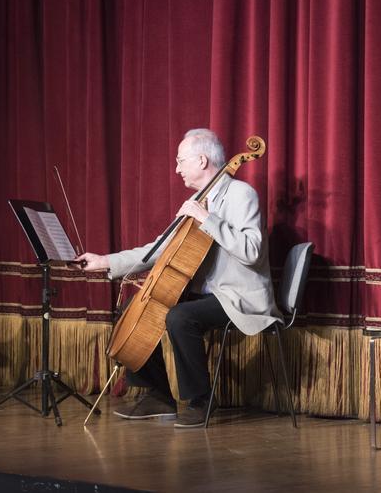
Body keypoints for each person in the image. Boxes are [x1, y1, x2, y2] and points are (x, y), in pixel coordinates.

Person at [75, 128, 280, 428]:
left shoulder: (241, 194)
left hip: (239, 296)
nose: (176, 168)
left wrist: (208, 219)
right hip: (208, 293)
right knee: (139, 308)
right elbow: (158, 249)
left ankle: (201, 400)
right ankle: (159, 394)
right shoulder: (199, 199)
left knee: (180, 317)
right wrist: (105, 261)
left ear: (201, 160)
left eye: (180, 160)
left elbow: (252, 252)